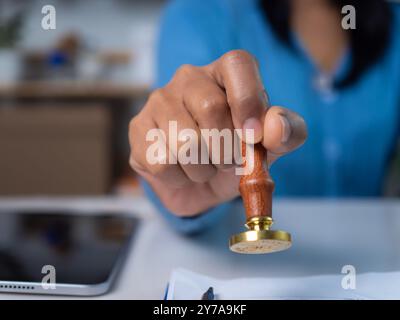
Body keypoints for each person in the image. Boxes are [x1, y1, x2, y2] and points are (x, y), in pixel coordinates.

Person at [129, 0, 400, 233]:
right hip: (241, 269)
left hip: (375, 263)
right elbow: (175, 141)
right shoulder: (200, 15)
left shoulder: (394, 24)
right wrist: (181, 170)